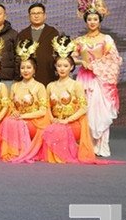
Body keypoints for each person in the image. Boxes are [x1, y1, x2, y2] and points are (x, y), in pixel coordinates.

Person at [72, 0, 123, 157]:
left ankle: (102, 146)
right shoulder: (79, 40)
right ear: (85, 21)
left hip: (101, 80)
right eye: (89, 19)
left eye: (95, 19)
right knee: (85, 111)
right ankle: (87, 145)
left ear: (99, 21)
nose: (92, 22)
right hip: (84, 80)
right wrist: (81, 62)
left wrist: (95, 66)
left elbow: (114, 59)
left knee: (100, 113)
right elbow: (70, 58)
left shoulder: (107, 39)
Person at [40, 35, 96, 163]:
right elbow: (47, 107)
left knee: (57, 130)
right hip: (55, 122)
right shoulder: (50, 86)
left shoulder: (76, 85)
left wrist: (67, 121)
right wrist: (52, 119)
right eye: (59, 65)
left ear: (71, 67)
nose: (62, 69)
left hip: (72, 123)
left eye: (65, 66)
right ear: (55, 67)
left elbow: (83, 108)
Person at [0, 39, 50, 162]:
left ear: (34, 69)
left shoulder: (39, 86)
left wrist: (23, 116)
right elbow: (11, 105)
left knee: (17, 123)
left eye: (29, 67)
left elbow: (43, 111)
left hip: (35, 121)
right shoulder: (15, 86)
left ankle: (23, 151)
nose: (25, 70)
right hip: (19, 119)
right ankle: (13, 152)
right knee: (8, 121)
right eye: (23, 68)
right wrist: (14, 113)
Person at [17, 3, 59, 86]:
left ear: (45, 15)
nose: (36, 16)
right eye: (33, 13)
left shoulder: (53, 32)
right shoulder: (23, 34)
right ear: (29, 16)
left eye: (39, 13)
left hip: (48, 74)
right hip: (27, 76)